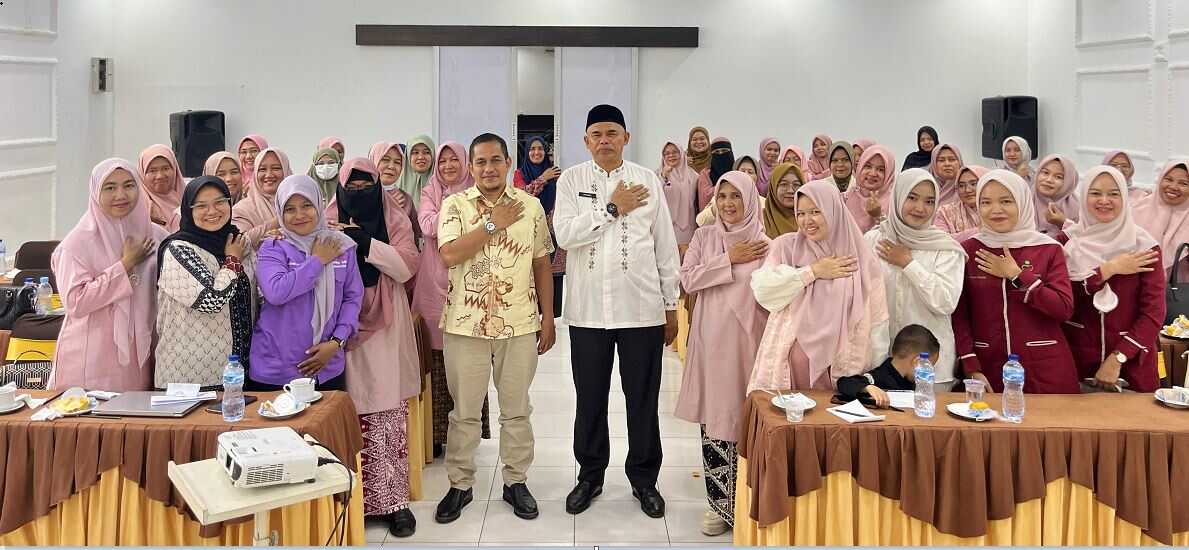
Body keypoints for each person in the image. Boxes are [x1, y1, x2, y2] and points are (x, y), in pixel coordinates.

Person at [553, 104, 680, 518]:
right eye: (597, 134)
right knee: (590, 398)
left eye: (612, 133)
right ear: (586, 141)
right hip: (588, 312)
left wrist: (671, 305)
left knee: (642, 399)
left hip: (641, 310)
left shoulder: (647, 180)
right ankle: (590, 476)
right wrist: (611, 208)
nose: (604, 140)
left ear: (626, 137)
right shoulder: (572, 180)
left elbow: (665, 246)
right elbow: (565, 235)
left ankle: (644, 480)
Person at [433, 133, 556, 524]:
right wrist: (491, 224)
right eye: (481, 162)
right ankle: (460, 484)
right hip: (464, 325)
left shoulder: (530, 206)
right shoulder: (454, 205)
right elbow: (449, 254)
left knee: (517, 410)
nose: (489, 168)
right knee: (465, 412)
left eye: (495, 160)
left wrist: (548, 317)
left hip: (518, 322)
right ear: (471, 167)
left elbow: (542, 263)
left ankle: (516, 481)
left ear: (507, 164)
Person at [328, 157, 422, 537]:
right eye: (352, 187)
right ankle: (353, 502)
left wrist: (365, 242)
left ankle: (394, 503)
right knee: (346, 411)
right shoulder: (327, 217)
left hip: (385, 323)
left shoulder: (394, 217)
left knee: (385, 412)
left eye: (366, 186)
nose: (359, 193)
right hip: (340, 323)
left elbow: (406, 266)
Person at [674, 171, 769, 536]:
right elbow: (688, 279)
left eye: (736, 196)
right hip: (712, 344)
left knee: (748, 423)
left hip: (749, 346)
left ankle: (748, 503)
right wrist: (728, 258)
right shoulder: (705, 236)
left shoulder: (765, 244)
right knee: (715, 421)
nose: (728, 203)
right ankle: (717, 505)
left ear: (750, 199)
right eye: (722, 196)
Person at [747, 180, 888, 392]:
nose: (807, 220)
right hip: (790, 368)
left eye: (815, 211)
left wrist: (870, 380)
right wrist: (813, 271)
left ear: (833, 210)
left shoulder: (862, 258)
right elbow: (763, 289)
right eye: (801, 213)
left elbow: (878, 323)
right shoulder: (786, 247)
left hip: (843, 371)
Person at [951, 169, 1079, 394]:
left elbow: (1063, 309)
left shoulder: (1048, 249)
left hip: (1045, 369)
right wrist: (970, 364)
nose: (996, 210)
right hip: (988, 369)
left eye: (1006, 201)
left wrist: (1018, 276)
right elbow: (960, 315)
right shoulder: (969, 250)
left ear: (1022, 202)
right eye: (986, 202)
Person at [50, 158, 168, 391]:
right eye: (110, 187)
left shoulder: (156, 237)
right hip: (91, 357)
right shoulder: (76, 245)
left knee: (134, 412)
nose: (120, 195)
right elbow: (75, 302)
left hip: (141, 355)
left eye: (129, 185)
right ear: (96, 192)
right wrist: (125, 265)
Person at [413, 142, 492, 456]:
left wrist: (452, 219)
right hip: (432, 285)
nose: (448, 165)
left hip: (469, 283)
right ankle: (434, 435)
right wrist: (457, 212)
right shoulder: (430, 190)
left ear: (465, 163)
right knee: (435, 361)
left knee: (468, 362)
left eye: (454, 160)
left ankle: (467, 434)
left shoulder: (478, 191)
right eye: (443, 160)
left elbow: (482, 228)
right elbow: (427, 225)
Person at [247, 174, 361, 392]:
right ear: (280, 212)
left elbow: (352, 298)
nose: (299, 215)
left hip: (327, 367)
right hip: (276, 369)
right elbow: (276, 292)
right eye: (290, 209)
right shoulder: (273, 246)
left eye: (307, 205)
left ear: (318, 205)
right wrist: (317, 261)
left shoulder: (342, 246)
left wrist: (336, 342)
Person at [1060, 166, 1164, 393]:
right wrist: (1107, 270)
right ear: (1084, 196)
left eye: (1113, 194)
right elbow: (1061, 303)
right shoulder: (1066, 243)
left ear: (1124, 198)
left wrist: (1119, 357)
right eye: (1095, 193)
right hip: (1076, 364)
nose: (1104, 201)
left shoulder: (1144, 246)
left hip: (1132, 369)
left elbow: (1153, 314)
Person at [863, 168, 966, 386]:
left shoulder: (945, 248)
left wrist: (908, 264)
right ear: (898, 196)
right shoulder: (873, 241)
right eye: (912, 197)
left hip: (930, 369)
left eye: (929, 201)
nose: (920, 208)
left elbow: (945, 302)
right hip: (880, 362)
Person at [154, 176, 255, 391]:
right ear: (188, 210)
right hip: (188, 380)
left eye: (219, 202)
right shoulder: (178, 249)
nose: (212, 211)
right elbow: (210, 300)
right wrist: (232, 261)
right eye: (201, 206)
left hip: (235, 375)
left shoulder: (235, 241)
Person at [513, 136, 565, 316]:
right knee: (532, 279)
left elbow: (564, 199)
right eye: (532, 149)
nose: (536, 152)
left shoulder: (556, 173)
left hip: (553, 233)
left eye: (540, 149)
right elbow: (522, 197)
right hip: (530, 233)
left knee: (554, 282)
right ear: (527, 152)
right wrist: (543, 178)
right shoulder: (519, 174)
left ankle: (552, 322)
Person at [836, 324, 939, 406]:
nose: (930, 371)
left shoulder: (911, 381)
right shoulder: (880, 376)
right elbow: (844, 383)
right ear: (917, 361)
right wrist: (867, 387)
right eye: (929, 366)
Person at [1134, 160, 1189, 279]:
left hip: (1179, 286)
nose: (1173, 187)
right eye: (1168, 179)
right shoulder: (1136, 210)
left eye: (1183, 183)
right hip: (1136, 282)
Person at [232, 147, 292, 247]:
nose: (269, 175)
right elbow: (239, 243)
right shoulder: (241, 210)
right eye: (262, 169)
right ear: (255, 173)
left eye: (276, 168)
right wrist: (278, 221)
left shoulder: (301, 204)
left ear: (286, 171)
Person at [367, 141, 419, 241]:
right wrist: (388, 206)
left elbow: (415, 235)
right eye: (385, 160)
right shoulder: (358, 193)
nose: (391, 166)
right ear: (373, 160)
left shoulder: (405, 199)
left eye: (397, 162)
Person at [657, 141, 700, 253]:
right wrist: (663, 176)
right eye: (667, 153)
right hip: (665, 225)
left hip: (688, 225)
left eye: (675, 152)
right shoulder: (657, 175)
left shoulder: (694, 176)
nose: (671, 155)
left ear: (681, 153)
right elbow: (655, 196)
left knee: (687, 256)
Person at [843, 145, 896, 233]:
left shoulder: (894, 203)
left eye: (881, 169)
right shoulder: (849, 196)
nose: (872, 173)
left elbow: (894, 236)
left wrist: (878, 215)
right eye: (868, 166)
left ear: (889, 174)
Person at [137, 144, 184, 231]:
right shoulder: (138, 207)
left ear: (175, 169)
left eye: (165, 168)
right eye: (152, 171)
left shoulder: (190, 199)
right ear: (142, 174)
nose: (160, 176)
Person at [934, 165, 987, 240]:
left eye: (973, 184)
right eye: (961, 185)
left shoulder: (996, 211)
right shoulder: (944, 212)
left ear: (986, 184)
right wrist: (980, 230)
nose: (967, 190)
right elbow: (940, 240)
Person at [1033, 154, 1080, 237]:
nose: (1049, 180)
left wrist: (1063, 223)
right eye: (1045, 173)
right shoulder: (1023, 200)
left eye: (1058, 177)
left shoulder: (1078, 209)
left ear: (1068, 182)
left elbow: (1085, 238)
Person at [762, 162, 804, 238]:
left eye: (796, 185)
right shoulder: (760, 219)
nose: (790, 191)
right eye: (784, 184)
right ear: (773, 187)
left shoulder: (810, 217)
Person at [397, 135, 436, 206]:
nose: (420, 157)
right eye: (415, 152)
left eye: (426, 152)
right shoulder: (395, 185)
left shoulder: (442, 186)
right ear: (408, 156)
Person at [697, 138, 734, 212]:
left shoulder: (737, 169)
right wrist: (727, 183)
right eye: (716, 152)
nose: (720, 154)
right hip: (712, 216)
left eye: (724, 151)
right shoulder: (706, 173)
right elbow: (705, 197)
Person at [929, 143, 964, 208]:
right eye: (941, 160)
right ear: (934, 164)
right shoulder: (925, 186)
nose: (947, 164)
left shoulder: (968, 189)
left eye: (952, 159)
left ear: (959, 162)